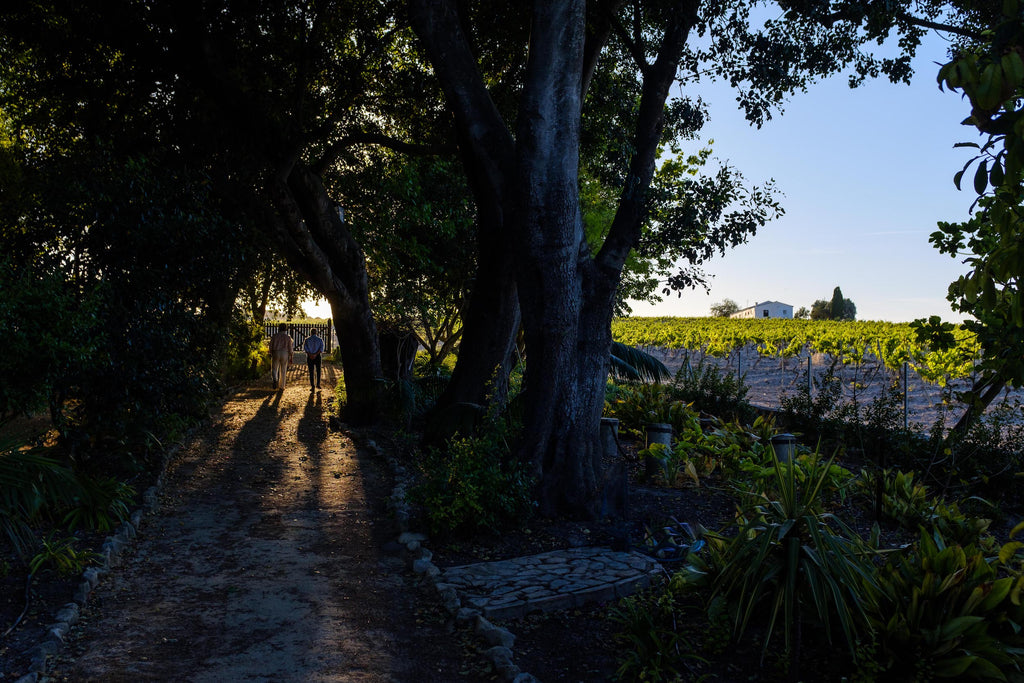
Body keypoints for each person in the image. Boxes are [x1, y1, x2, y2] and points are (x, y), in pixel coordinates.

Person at [268, 324, 293, 390]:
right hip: (285, 353)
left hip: (276, 352)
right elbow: (290, 347)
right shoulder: (288, 337)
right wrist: (291, 355)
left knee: (274, 368)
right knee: (283, 369)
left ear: (279, 328)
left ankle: (275, 379)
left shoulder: (274, 336)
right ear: (285, 329)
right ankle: (282, 386)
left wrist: (270, 352)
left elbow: (270, 345)